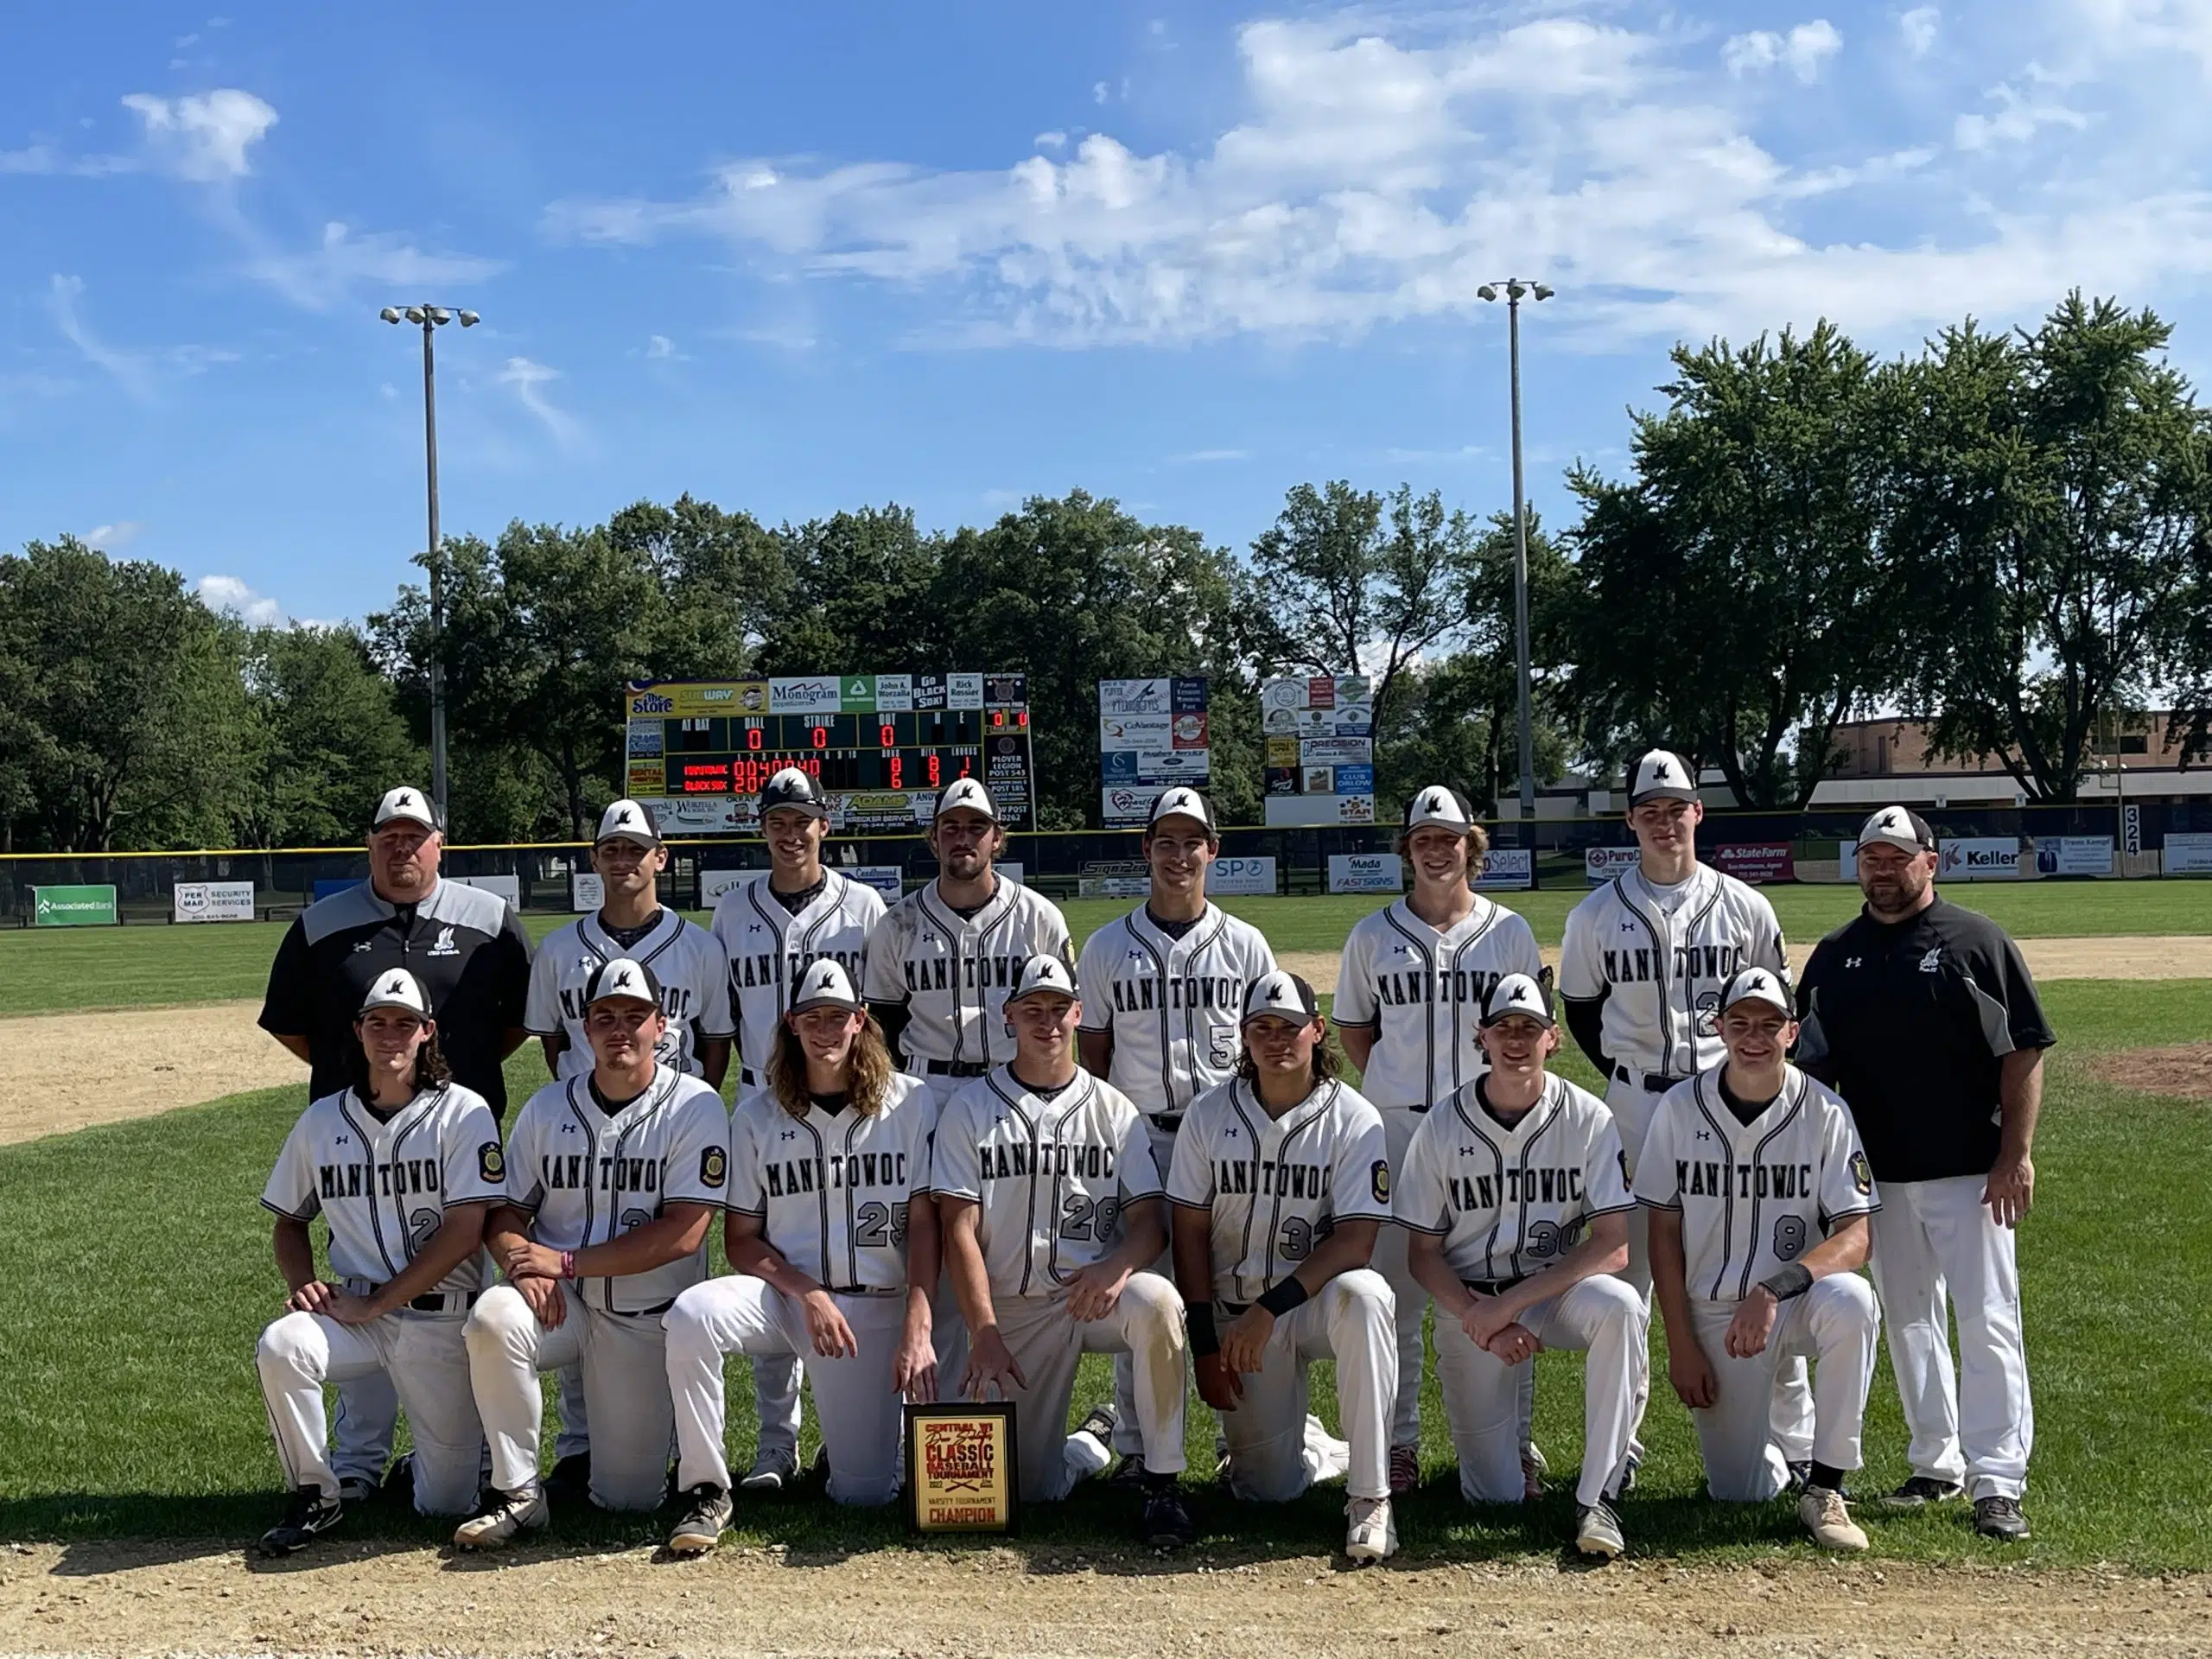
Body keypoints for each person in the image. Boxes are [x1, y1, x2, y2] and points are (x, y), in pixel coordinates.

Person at [256, 785, 532, 1502]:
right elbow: (291, 1025)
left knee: (446, 1491)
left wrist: (439, 1080)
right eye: (389, 837)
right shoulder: (321, 926)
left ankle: (440, 1459)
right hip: (356, 1126)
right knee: (356, 1269)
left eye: (416, 836)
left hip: (456, 1130)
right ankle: (338, 1477)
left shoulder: (492, 919)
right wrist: (368, 1071)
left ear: (440, 843)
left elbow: (515, 1023)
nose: (402, 847)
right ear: (371, 844)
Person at [1796, 806, 2053, 1541]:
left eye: (1898, 856)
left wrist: (2016, 1155)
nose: (1883, 868)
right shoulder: (1836, 955)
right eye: (1871, 856)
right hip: (1876, 1179)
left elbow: (2023, 1050)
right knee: (1909, 1321)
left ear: (1930, 863)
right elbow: (1811, 1070)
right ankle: (1934, 1463)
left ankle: (1998, 1479)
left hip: (1972, 1172)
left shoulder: (1977, 942)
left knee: (1987, 1320)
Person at [1558, 749, 1798, 1482]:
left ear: (1699, 813)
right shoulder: (1595, 914)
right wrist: (1634, 1078)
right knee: (1626, 1277)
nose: (1665, 823)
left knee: (1755, 1262)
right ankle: (1620, 1453)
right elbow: (1580, 1013)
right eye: (1650, 812)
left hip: (1733, 1104)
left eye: (1677, 809)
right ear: (1631, 820)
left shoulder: (1747, 906)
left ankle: (1792, 1443)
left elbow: (1778, 1004)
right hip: (1634, 1104)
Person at [661, 961, 940, 1554]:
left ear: (860, 1022)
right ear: (790, 1024)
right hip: (787, 1300)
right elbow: (740, 1240)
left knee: (864, 1495)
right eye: (811, 1017)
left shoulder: (912, 1104)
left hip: (873, 1308)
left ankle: (1089, 1441)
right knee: (692, 1314)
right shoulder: (759, 1115)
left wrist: (918, 1320)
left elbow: (925, 1224)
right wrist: (806, 1292)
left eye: (837, 1016)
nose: (825, 1029)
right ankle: (706, 1489)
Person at [454, 958, 728, 1546]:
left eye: (635, 1015)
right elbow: (504, 1212)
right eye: (605, 1016)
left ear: (662, 1025)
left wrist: (564, 1261)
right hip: (561, 1306)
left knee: (626, 1500)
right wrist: (520, 1262)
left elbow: (684, 1231)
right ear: (585, 1028)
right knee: (493, 1318)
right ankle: (520, 1493)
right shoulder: (548, 1107)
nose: (619, 1029)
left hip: (642, 1320)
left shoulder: (696, 1105)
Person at [933, 957, 1196, 1546]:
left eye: (1058, 1009)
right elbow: (957, 1229)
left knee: (1156, 1299)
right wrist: (985, 1332)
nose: (1046, 1022)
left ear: (1079, 1014)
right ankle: (1087, 1446)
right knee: (1024, 1488)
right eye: (1032, 1009)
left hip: (1089, 1298)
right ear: (1009, 1017)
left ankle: (1162, 1483)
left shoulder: (1114, 1110)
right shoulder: (971, 1108)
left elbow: (1150, 1224)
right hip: (1012, 1308)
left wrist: (1116, 1267)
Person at [1334, 785, 1543, 1497]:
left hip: (1488, 1129)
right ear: (1407, 849)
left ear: (1470, 847)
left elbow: (1528, 1030)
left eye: (1449, 837)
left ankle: (1515, 1442)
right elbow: (1356, 1032)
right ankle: (1398, 1446)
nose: (1436, 848)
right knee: (1394, 1294)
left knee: (1501, 1281)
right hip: (1395, 1129)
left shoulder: (1509, 930)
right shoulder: (1370, 934)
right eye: (1423, 837)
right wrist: (1396, 1091)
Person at [1394, 973, 1646, 1560]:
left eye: (1528, 1029)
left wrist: (1514, 1308)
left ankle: (1598, 1496)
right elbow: (1421, 1252)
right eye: (1503, 1028)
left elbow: (1614, 1244)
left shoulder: (1587, 1117)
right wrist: (1482, 1316)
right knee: (1493, 1498)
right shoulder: (1443, 1121)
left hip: (1553, 1296)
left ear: (1552, 1039)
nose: (1515, 1040)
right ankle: (1512, 1453)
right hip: (1471, 1303)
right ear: (1480, 1037)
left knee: (1623, 1307)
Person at [524, 798, 735, 1499]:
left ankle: (684, 1448)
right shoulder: (559, 950)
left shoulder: (699, 947)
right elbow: (553, 1044)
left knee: (661, 1298)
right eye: (611, 848)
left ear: (660, 856)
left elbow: (715, 1046)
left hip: (667, 1128)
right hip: (579, 1128)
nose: (623, 859)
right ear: (595, 859)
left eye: (635, 847)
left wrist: (676, 1105)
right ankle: (576, 1448)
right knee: (574, 1277)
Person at [251, 969, 503, 1554]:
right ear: (359, 1032)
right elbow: (289, 1221)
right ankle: (315, 1492)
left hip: (440, 1319)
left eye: (405, 1024)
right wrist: (304, 1283)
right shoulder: (322, 1120)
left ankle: (423, 1461)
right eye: (378, 1023)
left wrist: (378, 1303)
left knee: (445, 1503)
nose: (390, 1035)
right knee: (282, 1344)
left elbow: (466, 1232)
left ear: (427, 1033)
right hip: (353, 1314)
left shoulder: (464, 1113)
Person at [1637, 967, 1881, 1552]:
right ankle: (1784, 1450)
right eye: (1740, 1022)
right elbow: (1662, 1232)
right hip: (1713, 1313)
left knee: (1853, 1301)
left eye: (1770, 1024)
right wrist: (1680, 1342)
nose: (1754, 1036)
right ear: (1717, 1027)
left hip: (1790, 1301)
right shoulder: (1678, 1108)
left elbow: (1857, 1234)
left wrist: (1773, 1289)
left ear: (1792, 1033)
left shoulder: (1824, 1112)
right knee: (1738, 1494)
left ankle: (1824, 1485)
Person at [1075, 785, 1275, 1480]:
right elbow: (1092, 1056)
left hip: (1222, 1137)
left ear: (1213, 851)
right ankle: (1136, 1445)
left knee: (1227, 1280)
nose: (1179, 854)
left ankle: (1233, 1438)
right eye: (1166, 840)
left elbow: (1267, 1050)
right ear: (1146, 850)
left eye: (1193, 841)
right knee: (1143, 1289)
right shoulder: (1105, 947)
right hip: (1138, 1136)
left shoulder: (1246, 945)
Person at [1168, 970, 1399, 1562]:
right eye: (1261, 1028)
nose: (1276, 1040)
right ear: (1243, 1037)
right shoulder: (1207, 1114)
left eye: (1290, 1027)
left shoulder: (1354, 1118)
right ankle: (1316, 1445)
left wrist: (1270, 1311)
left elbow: (1356, 1240)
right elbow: (1188, 1234)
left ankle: (1370, 1499)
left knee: (1367, 1296)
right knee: (1266, 1492)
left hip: (1302, 1306)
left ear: (1317, 1030)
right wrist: (1203, 1347)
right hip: (1236, 1314)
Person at [863, 775, 1073, 1399]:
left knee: (1006, 1245)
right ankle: (932, 1398)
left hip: (1013, 1095)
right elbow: (882, 1027)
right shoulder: (899, 922)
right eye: (951, 827)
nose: (963, 838)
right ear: (932, 839)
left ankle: (1007, 1388)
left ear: (996, 839)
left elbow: (1061, 1016)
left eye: (975, 827)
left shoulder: (1038, 917)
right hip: (927, 1093)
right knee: (926, 1244)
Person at [709, 766, 886, 1493]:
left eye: (802, 819)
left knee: (861, 1262)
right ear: (764, 829)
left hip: (850, 1107)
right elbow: (716, 1022)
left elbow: (882, 1016)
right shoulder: (732, 910)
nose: (791, 831)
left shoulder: (866, 908)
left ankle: (870, 1426)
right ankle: (775, 1447)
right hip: (763, 1106)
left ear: (825, 824)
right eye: (778, 820)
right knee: (771, 1266)